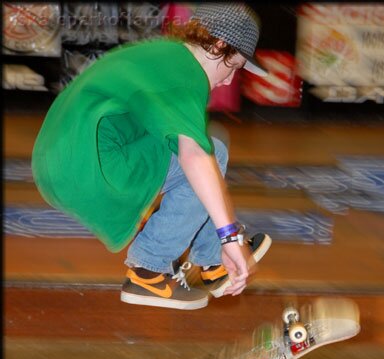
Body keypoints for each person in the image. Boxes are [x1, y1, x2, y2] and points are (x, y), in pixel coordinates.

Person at [31, 3, 272, 310]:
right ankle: (149, 269)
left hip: (57, 163)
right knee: (211, 152)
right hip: (92, 165)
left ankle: (211, 264)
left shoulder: (162, 56)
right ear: (219, 46)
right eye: (234, 67)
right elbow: (194, 156)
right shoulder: (186, 74)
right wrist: (229, 236)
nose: (228, 81)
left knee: (195, 150)